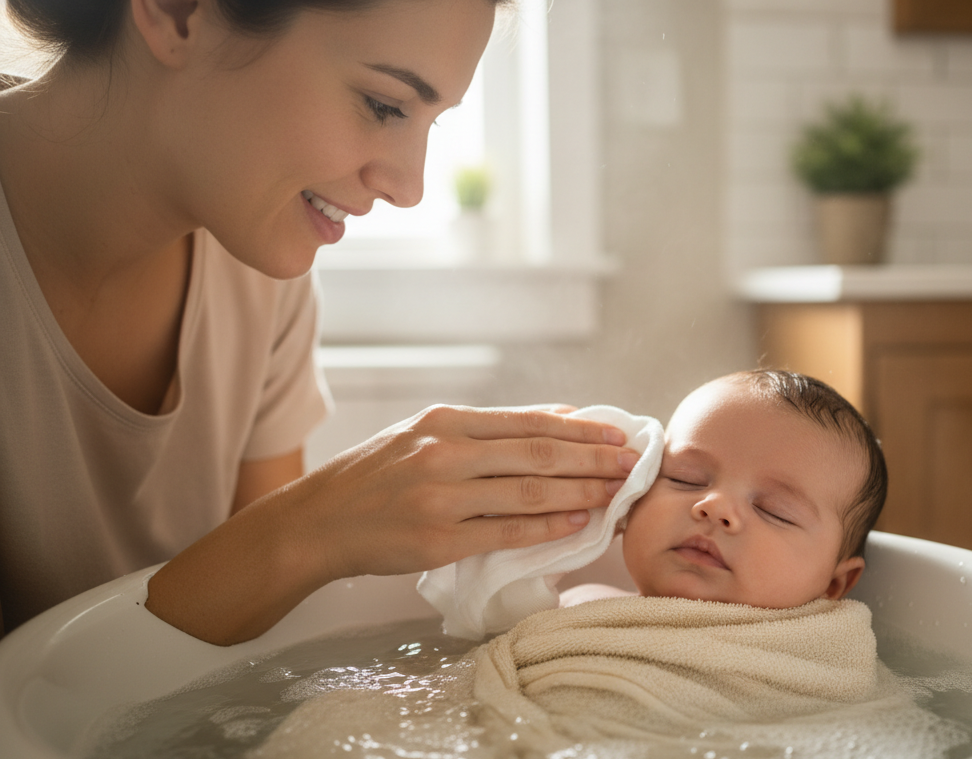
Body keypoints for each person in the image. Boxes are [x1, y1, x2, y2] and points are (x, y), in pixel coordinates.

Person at [0, 0, 638, 645]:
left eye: (430, 122)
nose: (408, 186)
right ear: (178, 12)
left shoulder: (257, 267)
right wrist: (314, 526)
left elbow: (235, 641)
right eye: (384, 105)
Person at [560, 369, 888, 609]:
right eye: (685, 478)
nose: (714, 506)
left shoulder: (821, 662)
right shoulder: (576, 606)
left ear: (834, 584)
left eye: (775, 511)